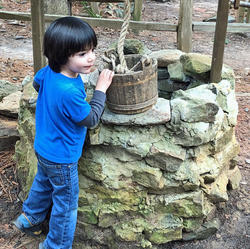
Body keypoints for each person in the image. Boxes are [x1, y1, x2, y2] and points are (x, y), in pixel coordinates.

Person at [13, 16, 114, 249]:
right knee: (65, 204)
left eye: (91, 50)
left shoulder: (49, 73)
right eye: (81, 54)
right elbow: (90, 119)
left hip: (44, 148)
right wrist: (100, 91)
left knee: (43, 182)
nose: (91, 57)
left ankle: (29, 218)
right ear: (61, 55)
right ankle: (56, 245)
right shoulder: (69, 92)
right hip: (63, 158)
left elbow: (37, 83)